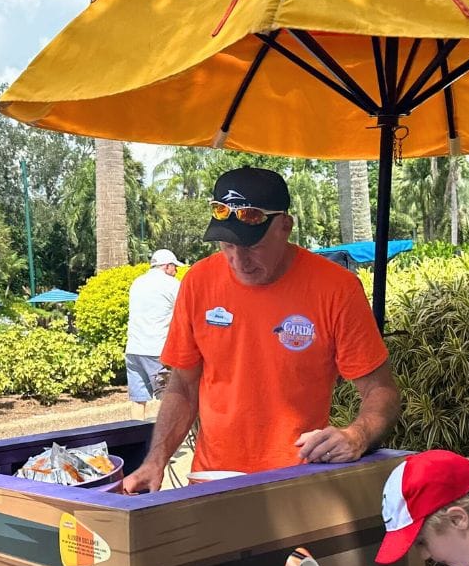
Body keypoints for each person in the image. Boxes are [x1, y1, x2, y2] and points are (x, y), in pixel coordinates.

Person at [120, 167, 400, 491]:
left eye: (252, 246)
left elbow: (382, 391)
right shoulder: (198, 282)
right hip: (211, 482)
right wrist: (156, 459)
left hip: (297, 482)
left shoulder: (336, 289)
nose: (239, 260)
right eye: (227, 245)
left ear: (285, 226)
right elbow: (183, 386)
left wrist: (358, 435)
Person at [125, 248, 182, 420]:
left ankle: (135, 441)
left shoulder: (138, 282)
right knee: (169, 398)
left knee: (138, 400)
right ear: (166, 266)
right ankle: (169, 443)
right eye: (174, 267)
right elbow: (185, 311)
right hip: (157, 349)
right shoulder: (171, 284)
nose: (176, 271)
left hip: (133, 349)